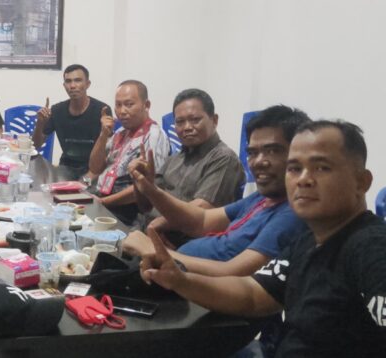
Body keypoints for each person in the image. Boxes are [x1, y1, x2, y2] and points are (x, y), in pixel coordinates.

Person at [140, 120, 386, 357]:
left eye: (321, 167)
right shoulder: (308, 241)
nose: (303, 179)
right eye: (294, 168)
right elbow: (253, 293)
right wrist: (180, 280)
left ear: (362, 182)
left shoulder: (372, 247)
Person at [124, 105, 309, 277]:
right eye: (253, 153)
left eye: (273, 151)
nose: (259, 161)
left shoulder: (290, 214)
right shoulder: (262, 197)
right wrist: (151, 189)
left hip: (191, 288)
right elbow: (202, 221)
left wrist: (154, 251)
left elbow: (234, 274)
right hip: (175, 269)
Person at [139, 88, 245, 245]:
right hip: (149, 234)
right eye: (180, 122)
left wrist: (156, 226)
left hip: (184, 246)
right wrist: (141, 181)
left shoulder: (224, 159)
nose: (187, 127)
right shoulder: (174, 159)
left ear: (214, 120)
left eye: (195, 119)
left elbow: (201, 210)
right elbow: (145, 206)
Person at [87, 80, 169, 225]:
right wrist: (103, 135)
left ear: (146, 105)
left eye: (129, 104)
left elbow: (148, 187)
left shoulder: (154, 136)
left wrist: (103, 202)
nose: (122, 111)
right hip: (101, 197)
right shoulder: (120, 132)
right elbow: (95, 168)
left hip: (127, 210)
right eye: (118, 105)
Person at [32, 64, 112, 179]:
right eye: (68, 81)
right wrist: (40, 124)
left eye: (78, 80)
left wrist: (86, 180)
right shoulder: (57, 110)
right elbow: (35, 145)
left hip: (94, 170)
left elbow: (108, 153)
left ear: (88, 84)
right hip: (65, 169)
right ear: (64, 85)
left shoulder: (102, 110)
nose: (73, 86)